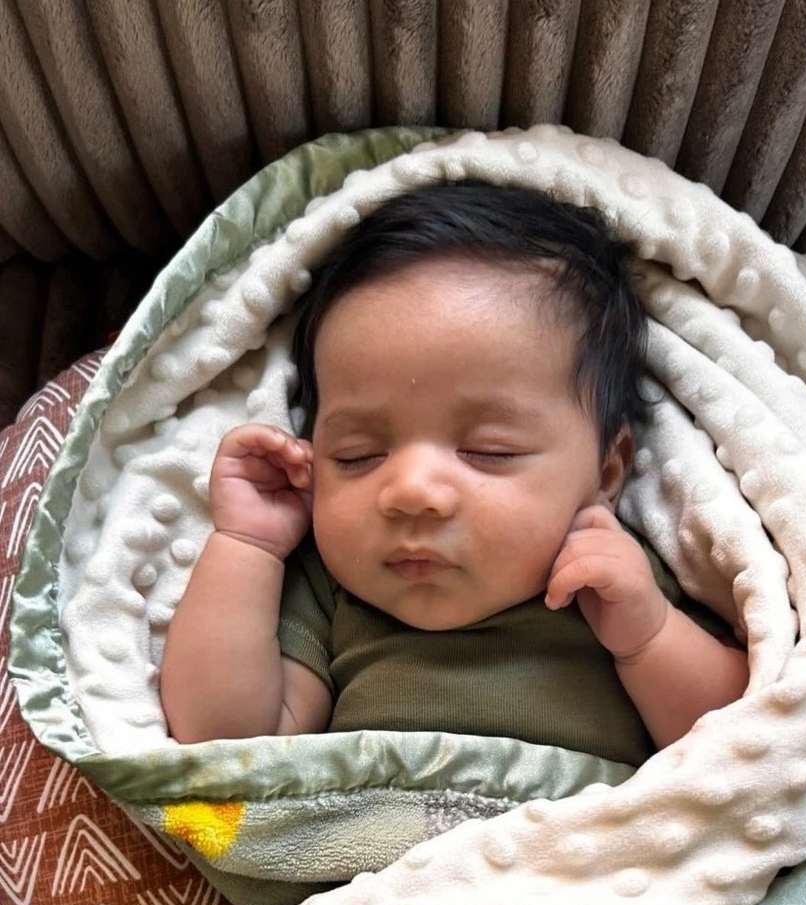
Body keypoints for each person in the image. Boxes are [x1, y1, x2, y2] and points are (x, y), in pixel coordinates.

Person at [161, 183, 748, 761]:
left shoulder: (617, 582)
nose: (412, 491)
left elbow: (745, 748)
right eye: (357, 455)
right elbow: (224, 743)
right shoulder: (332, 594)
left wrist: (648, 637)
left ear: (607, 471)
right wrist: (247, 544)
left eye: (489, 451)